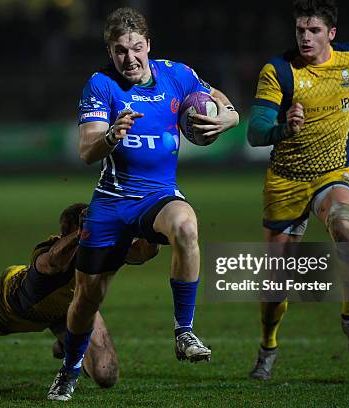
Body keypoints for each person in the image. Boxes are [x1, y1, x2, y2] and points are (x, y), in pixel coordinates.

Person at [47, 7, 240, 401]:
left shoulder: (177, 75)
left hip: (158, 196)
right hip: (113, 203)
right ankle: (69, 369)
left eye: (137, 48)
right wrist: (111, 137)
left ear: (148, 45)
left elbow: (215, 96)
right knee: (87, 298)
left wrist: (230, 118)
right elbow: (86, 151)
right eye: (120, 51)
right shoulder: (101, 85)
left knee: (186, 224)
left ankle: (183, 332)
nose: (130, 58)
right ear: (110, 51)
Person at [246, 0, 349, 380]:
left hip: (332, 174)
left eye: (314, 30)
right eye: (300, 30)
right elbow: (256, 133)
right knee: (275, 287)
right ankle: (268, 347)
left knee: (347, 228)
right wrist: (284, 127)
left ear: (331, 34)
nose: (305, 37)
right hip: (285, 181)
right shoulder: (279, 72)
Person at [0, 203, 159, 389]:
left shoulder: (106, 245)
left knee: (105, 375)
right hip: (17, 305)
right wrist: (80, 236)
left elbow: (145, 252)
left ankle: (67, 343)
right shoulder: (49, 250)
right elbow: (53, 261)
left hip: (72, 308)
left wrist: (147, 225)